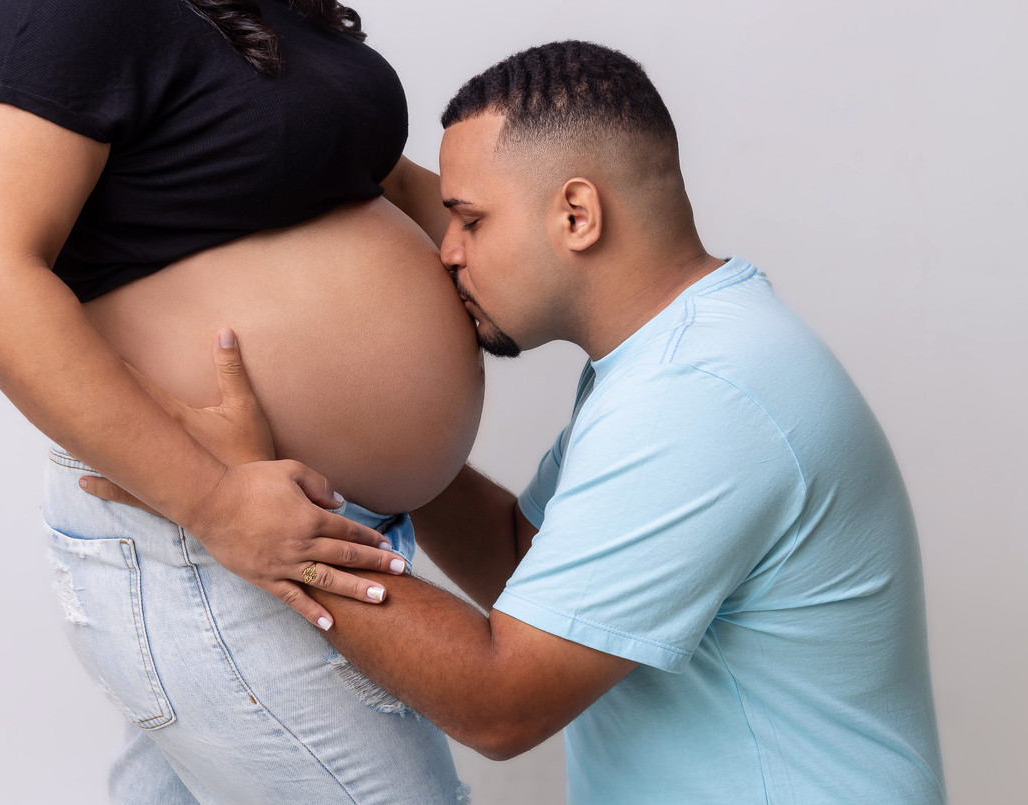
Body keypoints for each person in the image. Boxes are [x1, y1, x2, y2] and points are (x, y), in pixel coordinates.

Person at [89, 41, 947, 804]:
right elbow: (523, 557)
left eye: (469, 218)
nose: (446, 249)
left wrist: (277, 529)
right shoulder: (676, 358)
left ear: (577, 214)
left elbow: (503, 702)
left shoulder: (704, 399)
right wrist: (337, 434)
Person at [0, 0, 482, 802]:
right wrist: (216, 500)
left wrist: (578, 271)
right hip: (211, 536)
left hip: (300, 521)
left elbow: (370, 169)